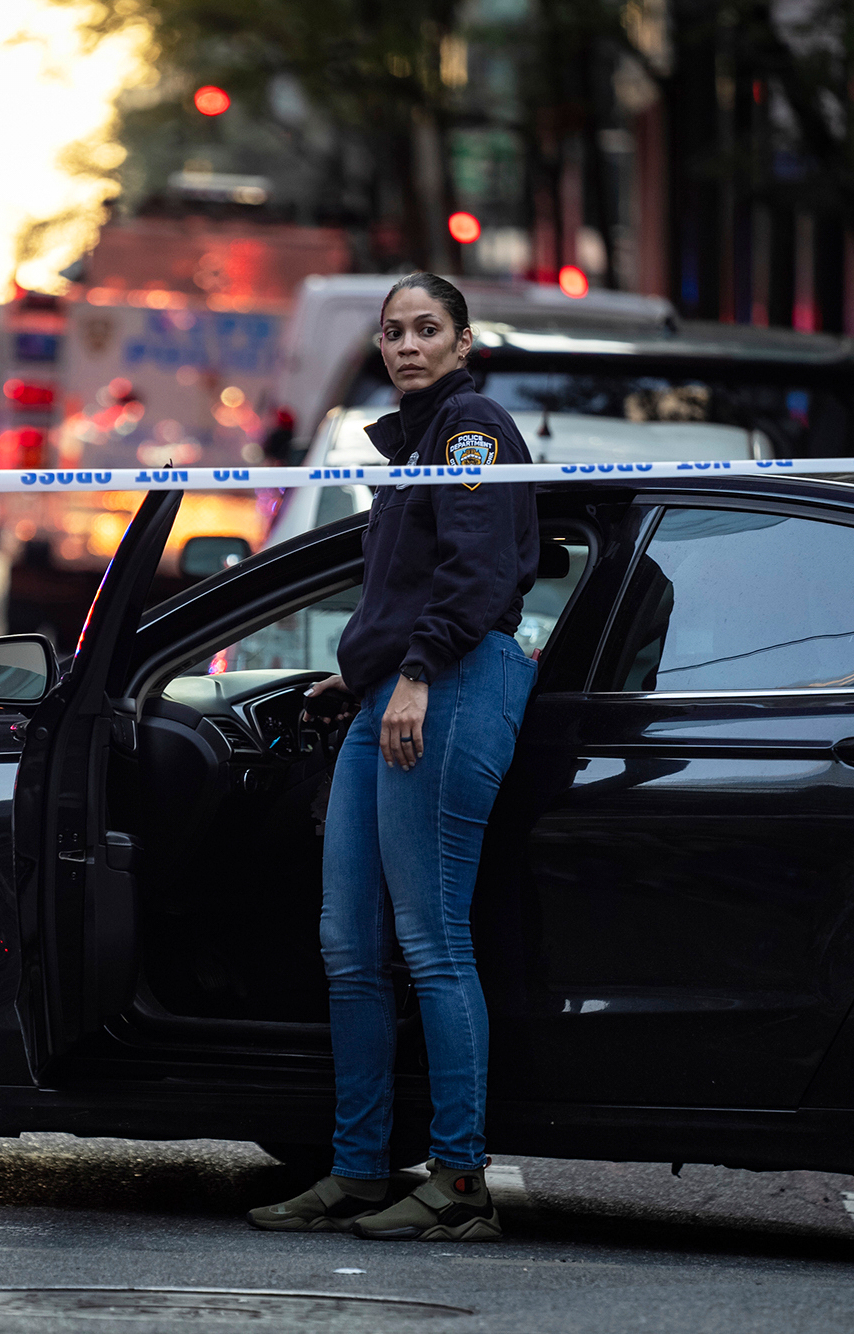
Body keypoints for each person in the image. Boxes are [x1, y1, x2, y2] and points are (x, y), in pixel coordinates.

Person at [248, 273, 538, 1243]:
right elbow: (405, 581)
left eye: (426, 330)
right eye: (393, 332)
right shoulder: (411, 442)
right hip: (397, 687)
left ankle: (458, 1181)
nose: (406, 345)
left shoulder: (469, 430)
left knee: (430, 941)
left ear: (461, 343)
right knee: (349, 946)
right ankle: (360, 1168)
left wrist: (413, 670)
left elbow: (477, 569)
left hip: (452, 683)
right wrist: (363, 675)